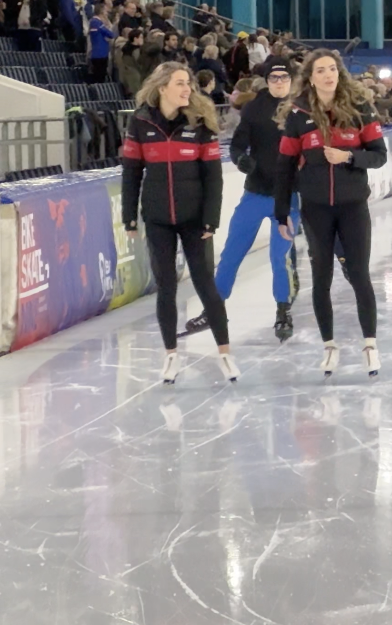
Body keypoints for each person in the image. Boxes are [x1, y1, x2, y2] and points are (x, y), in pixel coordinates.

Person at [275, 49, 388, 377]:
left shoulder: (359, 108)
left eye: (332, 69)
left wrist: (349, 157)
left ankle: (370, 345)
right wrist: (282, 211)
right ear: (310, 77)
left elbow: (379, 155)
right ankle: (329, 347)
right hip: (315, 208)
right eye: (321, 70)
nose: (328, 75)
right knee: (321, 278)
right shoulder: (298, 114)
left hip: (353, 206)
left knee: (360, 275)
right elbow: (283, 167)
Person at [121, 62, 235, 385]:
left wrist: (211, 218)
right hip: (157, 219)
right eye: (181, 83)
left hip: (195, 219)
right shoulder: (140, 122)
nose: (188, 89)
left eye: (189, 84)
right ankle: (170, 355)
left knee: (205, 286)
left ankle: (225, 353)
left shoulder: (199, 124)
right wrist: (129, 215)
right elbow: (131, 172)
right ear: (163, 88)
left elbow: (214, 178)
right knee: (166, 287)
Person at [211, 59, 302, 341]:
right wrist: (241, 160)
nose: (279, 83)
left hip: (288, 197)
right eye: (274, 78)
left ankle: (283, 310)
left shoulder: (301, 109)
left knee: (279, 256)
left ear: (291, 81)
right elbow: (237, 144)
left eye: (283, 78)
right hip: (255, 192)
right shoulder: (254, 108)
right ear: (267, 80)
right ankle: (215, 306)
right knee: (231, 252)